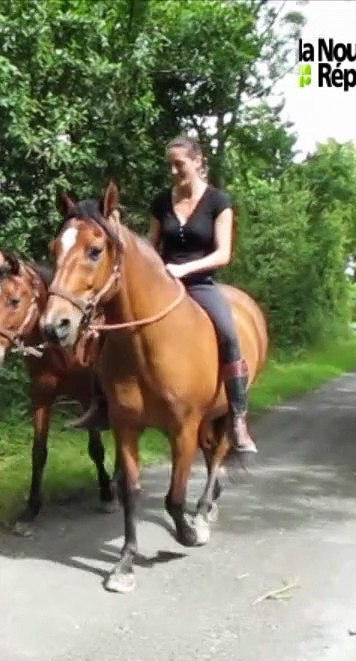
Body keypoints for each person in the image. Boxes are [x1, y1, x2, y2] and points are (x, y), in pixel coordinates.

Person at [69, 134, 258, 454]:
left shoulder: (218, 201)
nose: (173, 171)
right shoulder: (161, 202)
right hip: (161, 284)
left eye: (179, 164)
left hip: (199, 283)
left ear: (197, 162)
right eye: (170, 165)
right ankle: (102, 404)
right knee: (104, 331)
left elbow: (223, 253)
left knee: (228, 333)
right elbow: (151, 246)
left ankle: (238, 417)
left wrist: (185, 269)